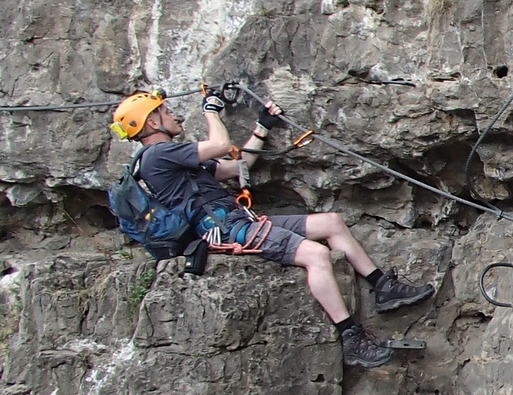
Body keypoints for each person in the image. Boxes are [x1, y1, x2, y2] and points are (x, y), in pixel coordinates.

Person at [109, 88, 434, 368]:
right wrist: (210, 111)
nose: (173, 115)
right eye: (165, 112)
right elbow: (220, 144)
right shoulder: (158, 155)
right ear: (153, 123)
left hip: (238, 220)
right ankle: (351, 337)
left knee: (331, 222)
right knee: (316, 255)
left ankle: (383, 288)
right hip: (226, 230)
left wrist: (262, 126)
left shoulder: (172, 159)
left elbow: (238, 166)